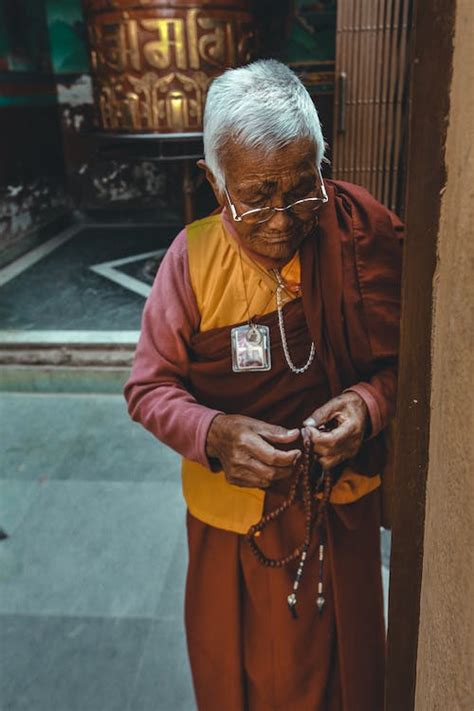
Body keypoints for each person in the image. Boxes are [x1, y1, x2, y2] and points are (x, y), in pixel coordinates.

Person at [124, 59, 403, 711]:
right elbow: (147, 387)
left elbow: (417, 362)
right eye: (257, 195)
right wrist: (214, 432)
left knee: (352, 670)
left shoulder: (361, 236)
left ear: (322, 166)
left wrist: (369, 405)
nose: (284, 218)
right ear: (214, 183)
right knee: (245, 678)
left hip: (342, 501)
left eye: (304, 187)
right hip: (236, 519)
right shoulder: (191, 261)